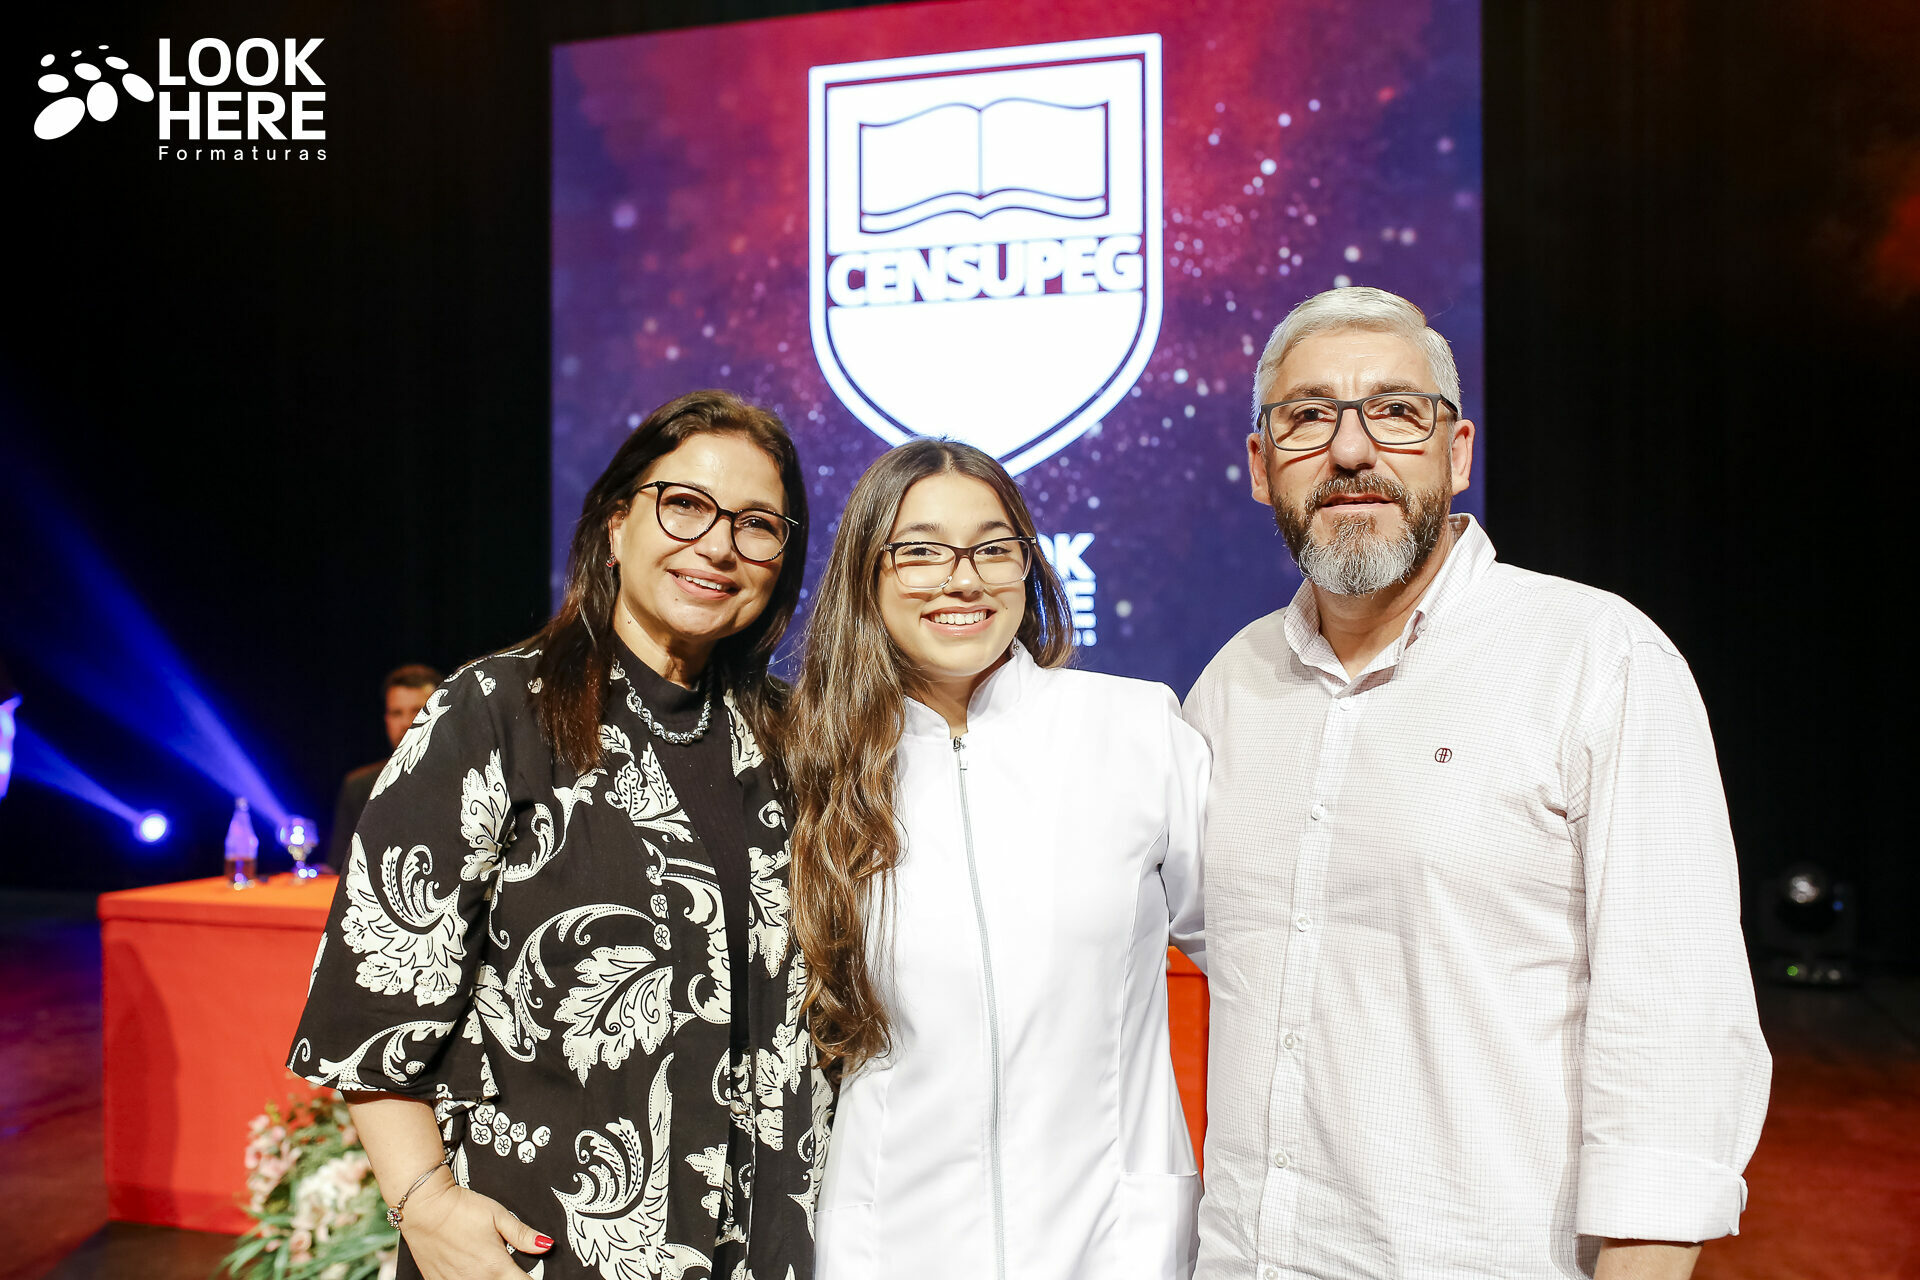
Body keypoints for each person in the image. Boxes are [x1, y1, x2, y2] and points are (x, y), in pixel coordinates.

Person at [1184, 286, 1770, 1280]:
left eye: (1396, 411)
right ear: (1259, 465)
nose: (1351, 450)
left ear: (1457, 453)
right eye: (1309, 415)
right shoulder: (1231, 686)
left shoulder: (1597, 658)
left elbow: (1674, 1028)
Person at [289, 390, 831, 1280]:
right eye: (685, 505)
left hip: (762, 1244)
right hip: (539, 1246)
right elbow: (376, 990)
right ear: (617, 524)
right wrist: (426, 1204)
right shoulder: (494, 713)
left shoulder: (794, 740)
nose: (718, 545)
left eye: (757, 524)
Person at [790, 440, 1209, 1280]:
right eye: (920, 551)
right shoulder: (813, 759)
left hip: (1114, 1242)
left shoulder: (1134, 729)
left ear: (1029, 564)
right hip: (890, 1247)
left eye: (993, 548)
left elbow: (1253, 961)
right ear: (867, 573)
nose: (963, 579)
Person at [324, 664, 443, 872]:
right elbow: (339, 869)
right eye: (396, 713)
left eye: (417, 711)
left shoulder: (470, 779)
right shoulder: (358, 786)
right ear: (386, 720)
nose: (406, 722)